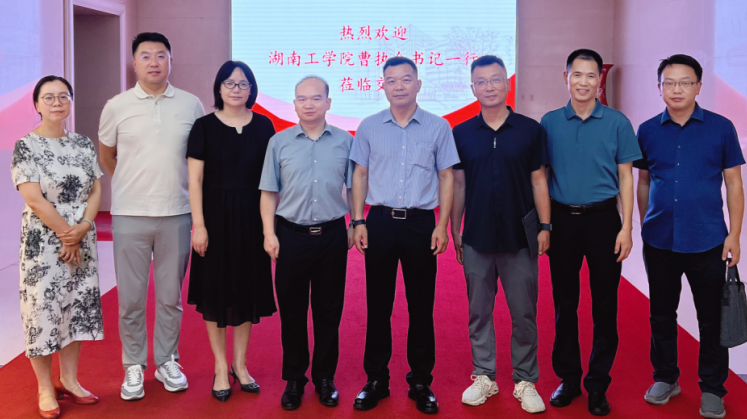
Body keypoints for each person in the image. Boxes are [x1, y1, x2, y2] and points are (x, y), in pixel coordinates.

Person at [635, 54, 744, 419]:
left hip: (709, 240)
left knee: (711, 318)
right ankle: (666, 377)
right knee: (661, 314)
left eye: (685, 82)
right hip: (660, 240)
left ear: (698, 86)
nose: (677, 89)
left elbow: (733, 183)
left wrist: (734, 235)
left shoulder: (721, 128)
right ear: (660, 87)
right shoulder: (647, 130)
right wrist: (644, 224)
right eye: (669, 82)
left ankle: (712, 387)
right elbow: (644, 181)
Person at [350, 56, 460, 414]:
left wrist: (442, 225)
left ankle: (421, 381)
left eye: (406, 79)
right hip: (380, 221)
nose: (399, 86)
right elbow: (360, 175)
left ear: (418, 84)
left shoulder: (438, 127)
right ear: (383, 86)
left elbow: (446, 176)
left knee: (421, 306)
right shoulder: (369, 127)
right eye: (392, 80)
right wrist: (358, 220)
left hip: (420, 224)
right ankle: (376, 380)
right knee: (378, 304)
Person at [98, 32, 205, 400]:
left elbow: (198, 158)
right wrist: (130, 183)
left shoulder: (191, 104)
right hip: (130, 215)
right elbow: (107, 154)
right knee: (130, 298)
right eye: (145, 56)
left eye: (161, 55)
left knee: (170, 297)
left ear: (171, 61)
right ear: (134, 63)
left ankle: (166, 360)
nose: (154, 62)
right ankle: (133, 364)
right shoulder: (117, 106)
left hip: (177, 213)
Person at [541, 49, 641, 416]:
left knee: (605, 305)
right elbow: (541, 178)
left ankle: (598, 384)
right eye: (577, 74)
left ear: (599, 80)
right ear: (565, 77)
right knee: (564, 303)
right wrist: (545, 225)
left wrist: (627, 227)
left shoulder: (617, 122)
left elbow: (626, 178)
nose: (583, 82)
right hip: (562, 221)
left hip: (603, 221)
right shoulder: (550, 122)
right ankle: (568, 378)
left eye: (591, 75)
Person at [450, 55, 551, 413]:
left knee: (524, 313)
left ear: (507, 83)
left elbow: (539, 181)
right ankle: (484, 376)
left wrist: (545, 226)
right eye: (481, 81)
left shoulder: (529, 130)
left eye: (495, 80)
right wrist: (454, 228)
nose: (489, 87)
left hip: (519, 236)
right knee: (479, 311)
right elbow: (458, 185)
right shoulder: (461, 133)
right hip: (476, 236)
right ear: (472, 88)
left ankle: (525, 380)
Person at [259, 75, 354, 411]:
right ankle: (295, 379)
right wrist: (269, 233)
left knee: (329, 311)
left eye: (316, 98)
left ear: (328, 103)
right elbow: (268, 191)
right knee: (293, 311)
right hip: (291, 236)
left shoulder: (345, 141)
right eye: (302, 98)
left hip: (332, 235)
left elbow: (355, 187)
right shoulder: (279, 142)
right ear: (294, 104)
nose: (309, 104)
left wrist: (356, 223)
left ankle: (325, 378)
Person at [11, 76, 104, 419]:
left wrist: (84, 227)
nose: (56, 103)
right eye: (48, 97)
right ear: (37, 104)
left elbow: (95, 189)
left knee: (75, 308)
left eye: (63, 96)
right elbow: (34, 198)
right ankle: (44, 387)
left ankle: (69, 380)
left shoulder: (82, 143)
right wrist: (68, 235)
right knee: (43, 311)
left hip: (80, 233)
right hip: (45, 241)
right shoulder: (26, 146)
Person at [186, 61, 277, 403]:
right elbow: (195, 181)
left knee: (245, 290)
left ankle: (240, 364)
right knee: (216, 292)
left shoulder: (264, 126)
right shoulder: (204, 127)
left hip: (253, 218)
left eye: (243, 83)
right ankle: (220, 367)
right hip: (214, 218)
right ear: (219, 88)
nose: (236, 89)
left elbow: (271, 181)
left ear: (252, 89)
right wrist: (199, 225)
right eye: (229, 83)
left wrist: (269, 228)